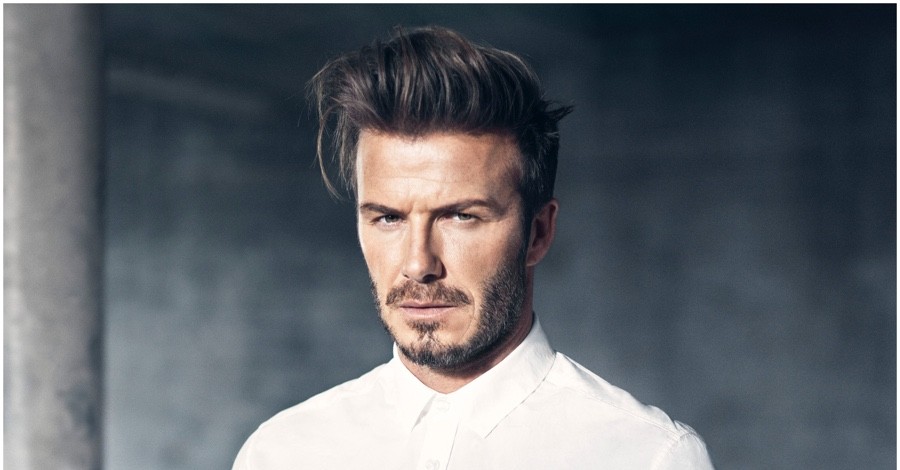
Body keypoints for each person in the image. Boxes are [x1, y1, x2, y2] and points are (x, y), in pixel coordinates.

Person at [233, 26, 715, 470]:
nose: (418, 264)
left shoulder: (648, 457)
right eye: (388, 218)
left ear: (538, 233)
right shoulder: (280, 453)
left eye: (460, 216)